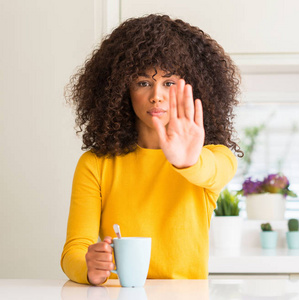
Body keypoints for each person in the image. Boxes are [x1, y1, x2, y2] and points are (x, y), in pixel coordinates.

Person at [61, 14, 242, 285]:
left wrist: (187, 161)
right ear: (122, 90)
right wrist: (89, 267)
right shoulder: (95, 164)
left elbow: (211, 172)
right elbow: (75, 249)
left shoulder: (214, 158)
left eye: (169, 83)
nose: (156, 95)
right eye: (143, 82)